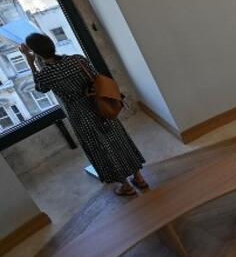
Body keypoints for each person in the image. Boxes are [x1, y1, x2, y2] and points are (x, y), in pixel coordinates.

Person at [20, 33, 147, 197]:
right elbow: (95, 77)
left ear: (36, 52)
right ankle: (139, 177)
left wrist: (31, 63)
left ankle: (125, 185)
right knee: (119, 139)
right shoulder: (78, 59)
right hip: (100, 104)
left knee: (100, 147)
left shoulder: (46, 74)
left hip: (80, 114)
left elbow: (41, 88)